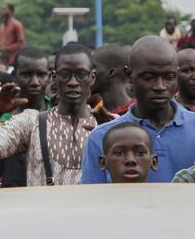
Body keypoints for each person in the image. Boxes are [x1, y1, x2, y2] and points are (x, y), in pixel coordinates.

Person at [0, 43, 98, 186]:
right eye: (65, 74)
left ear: (93, 77)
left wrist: (103, 132)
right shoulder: (31, 122)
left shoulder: (105, 123)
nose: (73, 82)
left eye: (81, 75)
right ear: (53, 76)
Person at [81, 35, 195, 183]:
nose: (160, 86)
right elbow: (91, 201)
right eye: (148, 77)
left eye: (168, 77)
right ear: (129, 75)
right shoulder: (101, 138)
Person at [3, 47, 52, 123]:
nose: (35, 82)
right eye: (26, 74)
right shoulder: (1, 118)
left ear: (48, 77)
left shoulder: (59, 111)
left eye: (41, 74)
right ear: (14, 76)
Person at [91, 44, 133, 115]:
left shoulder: (139, 113)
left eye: (93, 67)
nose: (88, 73)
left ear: (111, 72)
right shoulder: (93, 114)